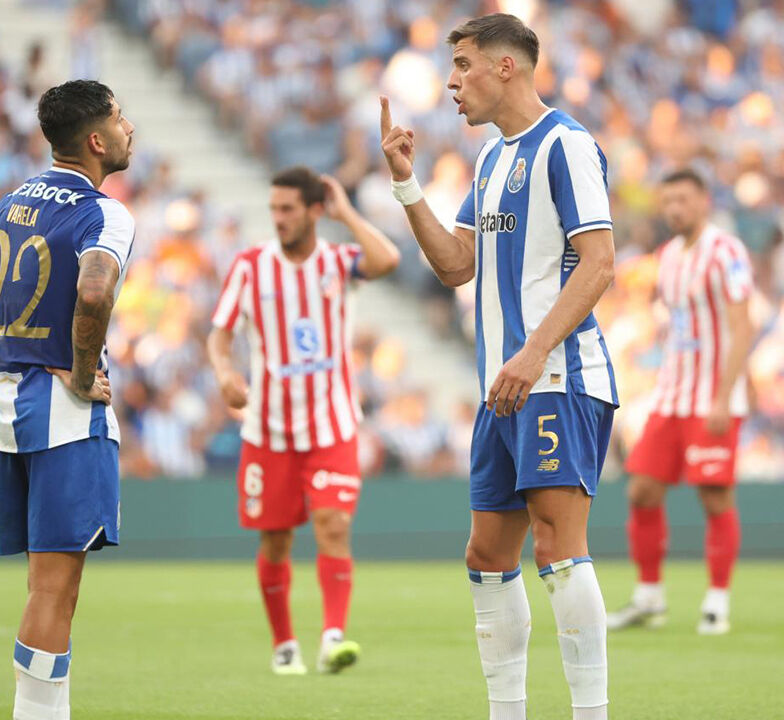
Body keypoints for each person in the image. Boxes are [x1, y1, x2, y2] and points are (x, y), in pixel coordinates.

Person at [380, 13, 617, 720]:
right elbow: (455, 265)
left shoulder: (566, 146)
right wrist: (406, 185)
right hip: (504, 388)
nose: (450, 83)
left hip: (558, 376)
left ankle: (590, 713)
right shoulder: (491, 160)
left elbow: (600, 262)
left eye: (462, 66)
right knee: (486, 555)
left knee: (555, 545)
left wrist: (535, 348)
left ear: (505, 66)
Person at [0, 79, 135, 719]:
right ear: (96, 141)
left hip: (7, 414)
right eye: (121, 119)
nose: (130, 129)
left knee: (42, 587)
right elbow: (95, 292)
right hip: (65, 418)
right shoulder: (106, 213)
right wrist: (77, 372)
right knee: (56, 590)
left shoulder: (12, 202)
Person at [207, 166, 400, 675]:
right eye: (274, 209)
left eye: (288, 208)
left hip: (332, 425)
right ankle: (285, 644)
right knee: (276, 540)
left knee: (333, 525)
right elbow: (219, 335)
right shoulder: (251, 267)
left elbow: (387, 259)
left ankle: (333, 637)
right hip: (268, 431)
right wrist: (225, 373)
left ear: (315, 210)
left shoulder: (337, 262)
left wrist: (347, 211)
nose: (279, 218)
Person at [605, 168, 755, 636]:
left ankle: (717, 601)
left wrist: (723, 397)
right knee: (641, 490)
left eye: (684, 200)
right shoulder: (667, 256)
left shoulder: (725, 251)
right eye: (668, 200)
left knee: (714, 497)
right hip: (671, 395)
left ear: (704, 201)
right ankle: (649, 596)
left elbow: (742, 326)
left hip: (713, 397)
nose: (675, 209)